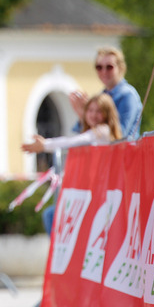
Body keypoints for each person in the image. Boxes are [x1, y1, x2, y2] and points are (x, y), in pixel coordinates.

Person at [25, 92, 123, 233]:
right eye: (90, 110)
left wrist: (45, 144)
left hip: (101, 194)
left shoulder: (103, 131)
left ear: (108, 114)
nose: (93, 115)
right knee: (51, 215)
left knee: (52, 216)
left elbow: (73, 142)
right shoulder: (97, 133)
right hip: (94, 192)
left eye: (99, 111)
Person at [69, 46, 142, 139]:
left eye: (109, 67)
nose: (104, 71)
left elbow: (119, 134)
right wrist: (83, 115)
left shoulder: (127, 95)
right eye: (99, 67)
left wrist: (89, 114)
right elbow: (83, 135)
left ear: (120, 68)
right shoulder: (101, 95)